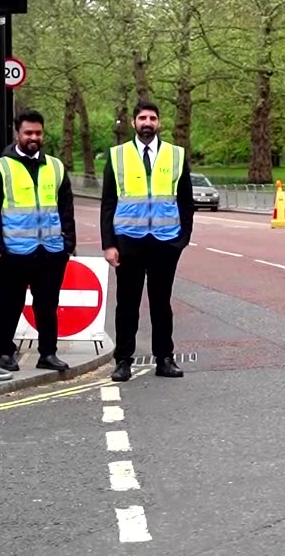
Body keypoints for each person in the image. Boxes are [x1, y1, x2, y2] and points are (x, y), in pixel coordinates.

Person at [101, 99, 194, 382]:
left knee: (161, 303)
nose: (147, 123)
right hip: (128, 240)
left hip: (165, 242)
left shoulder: (176, 155)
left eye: (152, 118)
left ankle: (164, 358)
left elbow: (186, 202)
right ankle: (123, 361)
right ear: (133, 123)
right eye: (142, 118)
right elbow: (108, 202)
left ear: (159, 123)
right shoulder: (117, 156)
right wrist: (109, 244)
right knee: (127, 304)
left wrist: (182, 239)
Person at [0, 109, 76, 372]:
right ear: (17, 133)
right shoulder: (0, 167)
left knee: (47, 306)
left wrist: (67, 245)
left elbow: (66, 208)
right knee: (8, 304)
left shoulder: (55, 166)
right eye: (28, 133)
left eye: (38, 133)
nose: (34, 137)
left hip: (50, 251)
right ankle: (5, 352)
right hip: (13, 252)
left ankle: (48, 353)